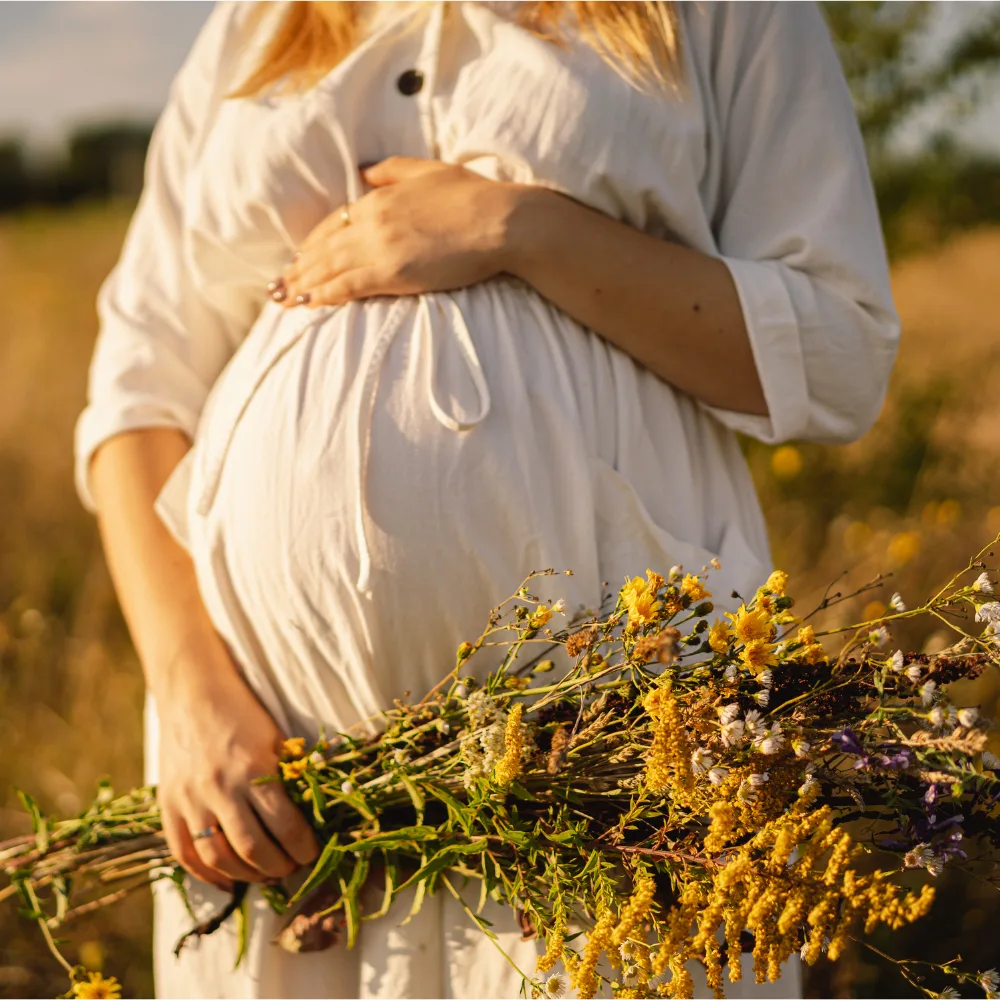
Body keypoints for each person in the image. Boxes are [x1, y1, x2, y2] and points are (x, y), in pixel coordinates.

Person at [75, 1, 898, 997]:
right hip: (282, 789)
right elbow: (138, 386)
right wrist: (188, 690)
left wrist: (522, 230)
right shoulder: (258, 21)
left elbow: (836, 353)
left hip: (618, 767)